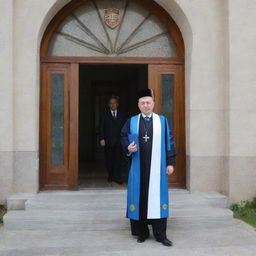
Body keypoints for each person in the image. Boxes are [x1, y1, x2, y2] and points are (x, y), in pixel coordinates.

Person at [120, 89, 177, 247]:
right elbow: (123, 137)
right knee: (140, 198)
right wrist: (128, 148)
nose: (146, 105)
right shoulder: (131, 121)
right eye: (143, 103)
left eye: (148, 103)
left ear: (153, 104)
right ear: (138, 105)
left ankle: (160, 234)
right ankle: (142, 232)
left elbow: (170, 141)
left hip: (157, 168)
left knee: (157, 198)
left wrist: (170, 163)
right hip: (138, 168)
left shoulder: (162, 121)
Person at [100, 95, 126, 184]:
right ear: (108, 104)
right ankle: (110, 175)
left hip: (119, 141)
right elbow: (102, 127)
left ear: (117, 104)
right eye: (111, 103)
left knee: (118, 160)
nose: (113, 105)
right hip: (108, 141)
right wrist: (102, 138)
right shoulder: (105, 114)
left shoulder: (122, 114)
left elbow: (125, 127)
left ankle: (117, 177)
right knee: (109, 160)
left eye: (114, 103)